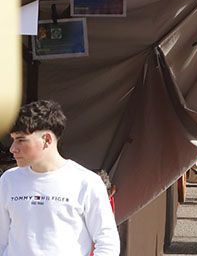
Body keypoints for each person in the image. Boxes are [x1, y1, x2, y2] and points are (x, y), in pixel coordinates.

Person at [0, 99, 119, 255]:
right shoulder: (8, 180)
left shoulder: (87, 182)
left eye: (21, 140)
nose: (12, 149)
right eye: (13, 140)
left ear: (47, 140)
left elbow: (107, 243)